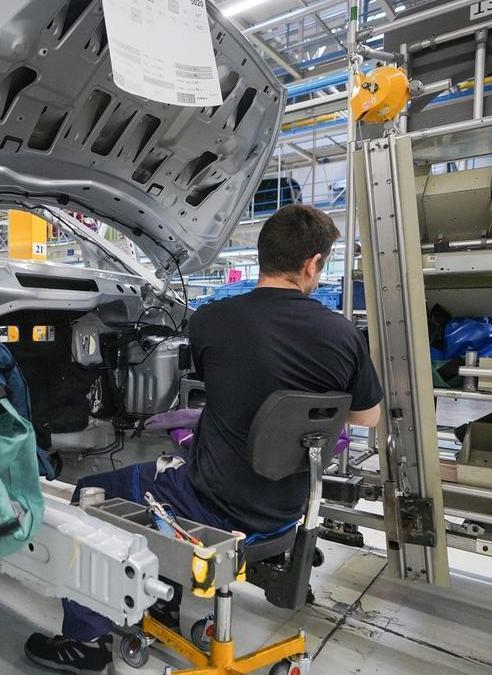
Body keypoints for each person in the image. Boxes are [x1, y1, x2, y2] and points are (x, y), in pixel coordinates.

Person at [24, 204, 383, 673]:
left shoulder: (212, 320)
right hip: (285, 511)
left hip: (210, 505)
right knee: (164, 478)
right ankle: (163, 599)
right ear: (313, 263)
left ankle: (85, 644)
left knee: (93, 497)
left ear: (262, 256)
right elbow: (367, 417)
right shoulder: (342, 334)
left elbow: (203, 384)